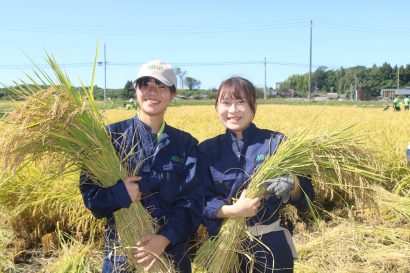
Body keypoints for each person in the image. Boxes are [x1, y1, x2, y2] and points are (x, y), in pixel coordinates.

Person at [80, 60, 203, 273]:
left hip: (172, 257)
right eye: (145, 85)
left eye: (161, 86)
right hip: (123, 257)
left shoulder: (186, 144)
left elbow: (193, 202)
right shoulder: (110, 138)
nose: (152, 92)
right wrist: (120, 193)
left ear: (172, 94)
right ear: (136, 90)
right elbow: (92, 200)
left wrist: (164, 238)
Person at [199, 77, 315, 273]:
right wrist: (233, 211)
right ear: (216, 107)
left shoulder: (276, 143)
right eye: (226, 103)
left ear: (254, 106)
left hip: (271, 249)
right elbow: (197, 201)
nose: (233, 110)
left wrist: (293, 185)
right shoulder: (207, 150)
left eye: (241, 102)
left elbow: (307, 197)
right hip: (225, 249)